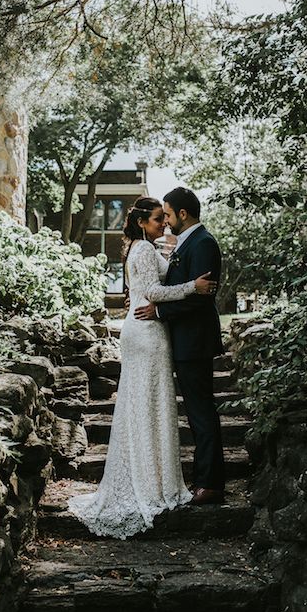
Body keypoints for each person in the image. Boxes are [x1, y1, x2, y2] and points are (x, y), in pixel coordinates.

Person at [68, 197, 217, 538]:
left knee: (143, 405)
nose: (163, 223)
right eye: (156, 219)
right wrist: (193, 286)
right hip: (147, 333)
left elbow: (154, 283)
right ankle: (151, 484)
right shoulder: (145, 250)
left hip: (140, 331)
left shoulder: (140, 247)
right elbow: (153, 290)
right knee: (151, 405)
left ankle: (147, 475)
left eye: (164, 217)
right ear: (140, 223)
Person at [135, 186, 225, 504]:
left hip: (195, 341)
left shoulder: (203, 244)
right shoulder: (187, 243)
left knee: (201, 413)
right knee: (197, 412)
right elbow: (182, 287)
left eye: (169, 214)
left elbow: (201, 301)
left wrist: (159, 310)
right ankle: (205, 478)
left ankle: (211, 483)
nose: (167, 220)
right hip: (184, 341)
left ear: (182, 214)